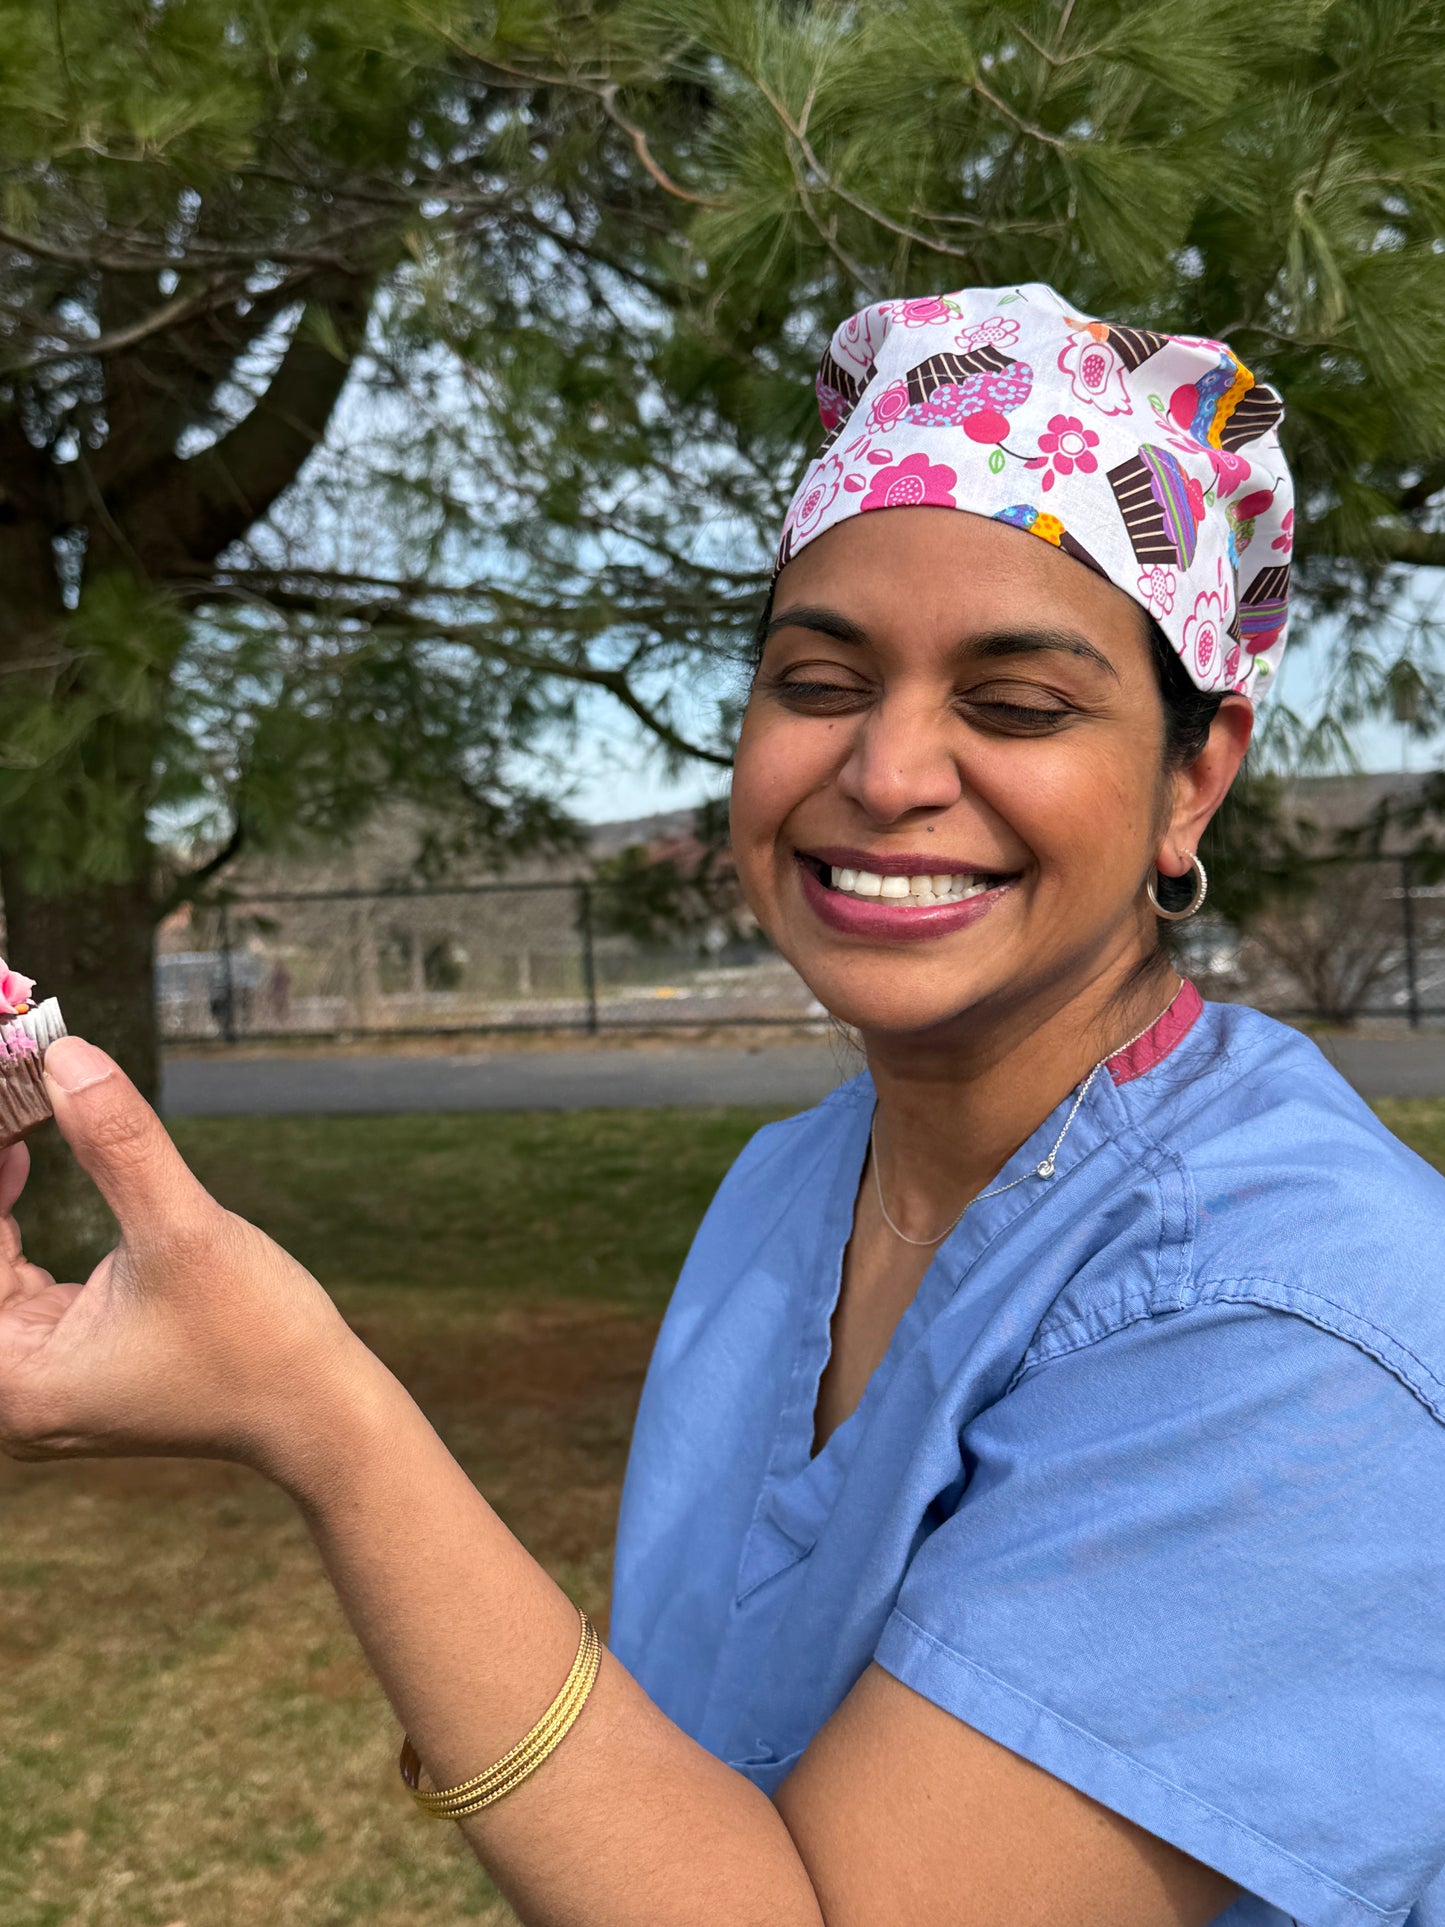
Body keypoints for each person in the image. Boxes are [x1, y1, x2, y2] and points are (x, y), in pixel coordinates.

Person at [2, 283, 1443, 1927]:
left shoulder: (1297, 1332)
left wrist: (313, 1411)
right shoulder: (791, 1187)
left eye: (1016, 705)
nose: (885, 774)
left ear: (1193, 777)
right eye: (818, 681)